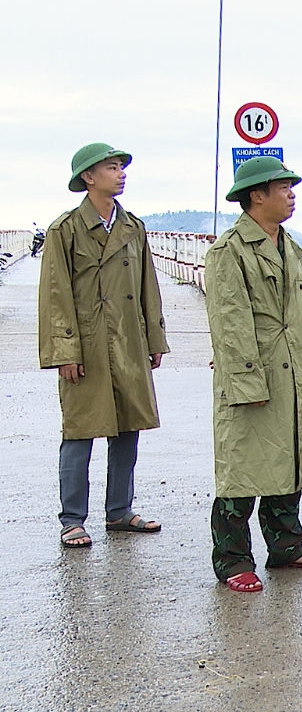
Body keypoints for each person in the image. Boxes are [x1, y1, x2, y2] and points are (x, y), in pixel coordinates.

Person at [204, 156, 302, 592]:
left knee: (288, 463)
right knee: (242, 468)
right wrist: (246, 380)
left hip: (288, 373)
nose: (291, 194)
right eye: (283, 188)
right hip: (252, 376)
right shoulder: (230, 251)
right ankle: (233, 559)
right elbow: (230, 321)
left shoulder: (288, 247)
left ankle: (287, 546)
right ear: (256, 195)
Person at [39, 143, 170, 549]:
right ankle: (72, 519)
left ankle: (119, 510)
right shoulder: (65, 230)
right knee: (80, 432)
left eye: (121, 167)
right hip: (88, 345)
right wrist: (64, 351)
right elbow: (55, 294)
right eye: (112, 167)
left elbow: (148, 287)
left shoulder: (133, 226)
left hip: (128, 340)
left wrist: (154, 338)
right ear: (88, 178)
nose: (121, 173)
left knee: (128, 427)